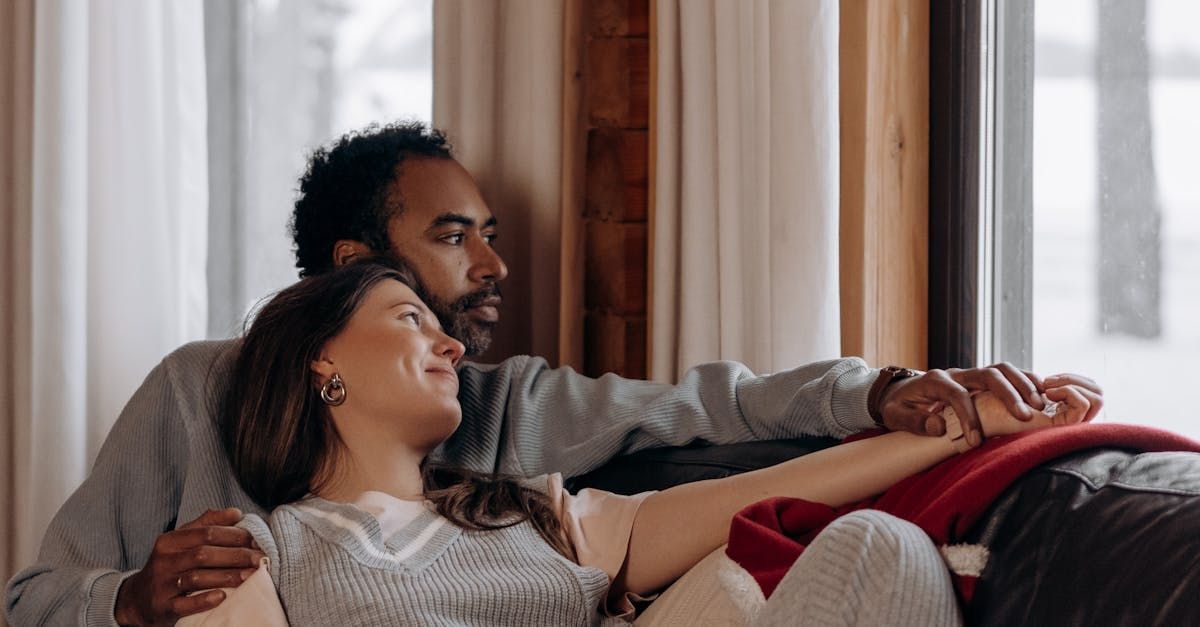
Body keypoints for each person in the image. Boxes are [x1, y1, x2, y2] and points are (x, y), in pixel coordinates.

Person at [4, 122, 1102, 626]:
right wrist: (133, 602)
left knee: (878, 549)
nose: (493, 266)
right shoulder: (204, 404)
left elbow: (707, 407)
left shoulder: (509, 431)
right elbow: (35, 601)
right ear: (356, 277)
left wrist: (897, 401)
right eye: (453, 239)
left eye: (490, 233)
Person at [189, 260, 1092, 625]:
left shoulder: (527, 512)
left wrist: (960, 428)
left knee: (878, 545)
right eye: (409, 320)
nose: (452, 344)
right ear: (320, 366)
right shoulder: (258, 553)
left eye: (442, 326)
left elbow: (758, 497)